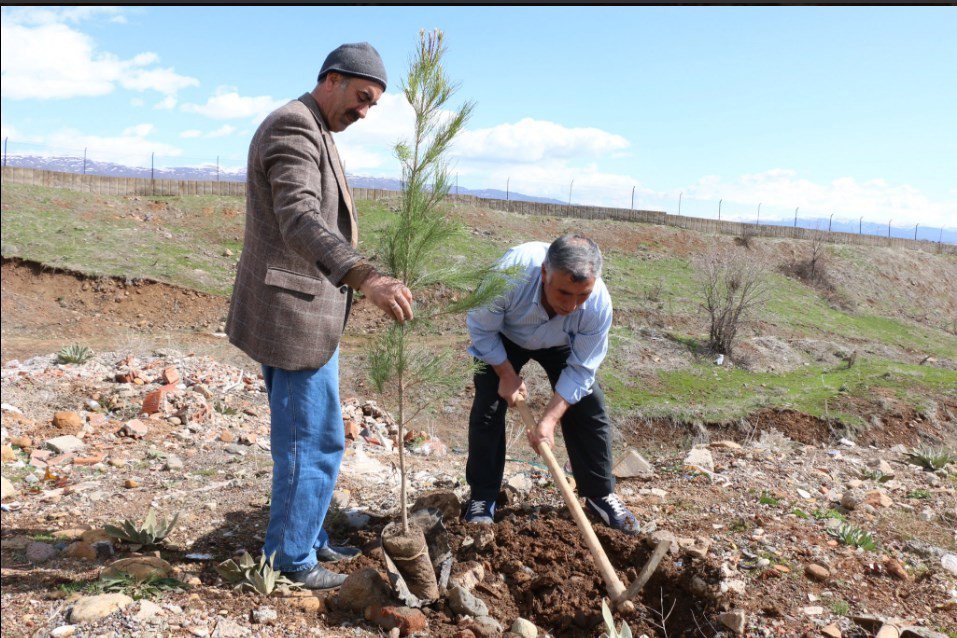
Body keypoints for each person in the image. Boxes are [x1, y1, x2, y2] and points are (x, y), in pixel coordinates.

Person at [226, 42, 414, 590]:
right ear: (331, 79)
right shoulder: (294, 126)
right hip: (294, 316)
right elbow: (300, 217)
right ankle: (290, 558)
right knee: (310, 441)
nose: (364, 111)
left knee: (321, 433)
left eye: (373, 104)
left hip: (309, 314)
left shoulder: (316, 127)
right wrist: (364, 276)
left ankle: (306, 535)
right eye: (361, 98)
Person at [463, 234, 641, 535]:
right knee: (488, 406)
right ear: (545, 272)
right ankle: (482, 497)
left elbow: (582, 369)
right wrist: (506, 374)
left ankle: (600, 494)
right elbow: (480, 328)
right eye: (563, 293)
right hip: (504, 338)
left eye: (581, 295)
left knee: (589, 405)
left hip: (561, 342)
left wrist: (548, 420)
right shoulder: (511, 274)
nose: (571, 305)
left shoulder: (597, 303)